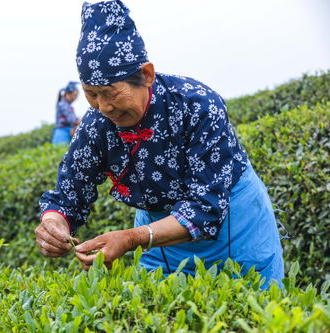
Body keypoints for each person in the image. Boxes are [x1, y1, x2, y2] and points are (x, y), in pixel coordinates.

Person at [36, 0, 284, 288]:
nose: (103, 107)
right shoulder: (95, 126)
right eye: (91, 95)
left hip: (234, 226)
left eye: (110, 93)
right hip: (157, 232)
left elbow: (207, 208)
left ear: (147, 75)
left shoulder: (197, 105)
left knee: (253, 306)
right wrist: (54, 224)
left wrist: (131, 238)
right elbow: (68, 195)